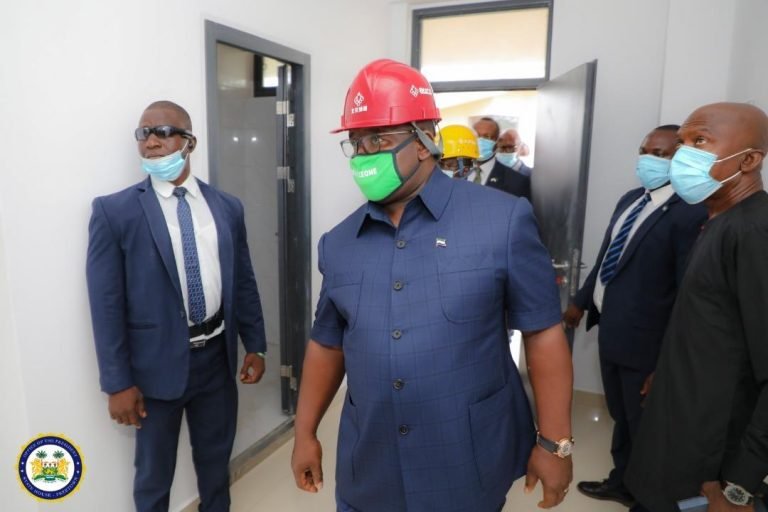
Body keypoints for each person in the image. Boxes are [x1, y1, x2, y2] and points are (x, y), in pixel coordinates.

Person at [290, 59, 574, 512]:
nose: (364, 156)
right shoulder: (339, 243)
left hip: (466, 461)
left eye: (378, 140)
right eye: (356, 144)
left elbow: (542, 333)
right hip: (371, 465)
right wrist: (304, 432)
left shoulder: (501, 220)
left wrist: (555, 442)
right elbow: (327, 344)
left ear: (425, 140)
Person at [86, 100, 267, 512]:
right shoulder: (115, 212)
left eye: (162, 132)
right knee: (153, 478)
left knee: (216, 469)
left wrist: (255, 343)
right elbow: (105, 303)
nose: (150, 142)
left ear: (189, 142)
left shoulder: (226, 207)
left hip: (216, 363)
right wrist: (117, 382)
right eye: (143, 134)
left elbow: (244, 279)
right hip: (154, 372)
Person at [625, 102, 768, 512]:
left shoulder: (755, 230)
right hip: (679, 433)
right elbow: (712, 323)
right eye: (683, 142)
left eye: (700, 141)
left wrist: (740, 485)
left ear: (750, 160)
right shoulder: (718, 220)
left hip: (712, 469)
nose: (683, 153)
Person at [562, 125, 707, 509]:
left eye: (660, 154)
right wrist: (580, 301)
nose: (648, 159)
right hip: (611, 332)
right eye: (645, 150)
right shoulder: (631, 199)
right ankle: (622, 481)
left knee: (647, 429)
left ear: (681, 158)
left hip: (648, 345)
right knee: (622, 417)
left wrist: (665, 362)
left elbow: (686, 294)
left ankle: (647, 497)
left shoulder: (690, 212)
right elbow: (609, 255)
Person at [471, 117, 532, 200]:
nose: (480, 141)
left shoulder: (517, 180)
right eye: (476, 136)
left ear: (496, 141)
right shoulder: (456, 174)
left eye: (487, 137)